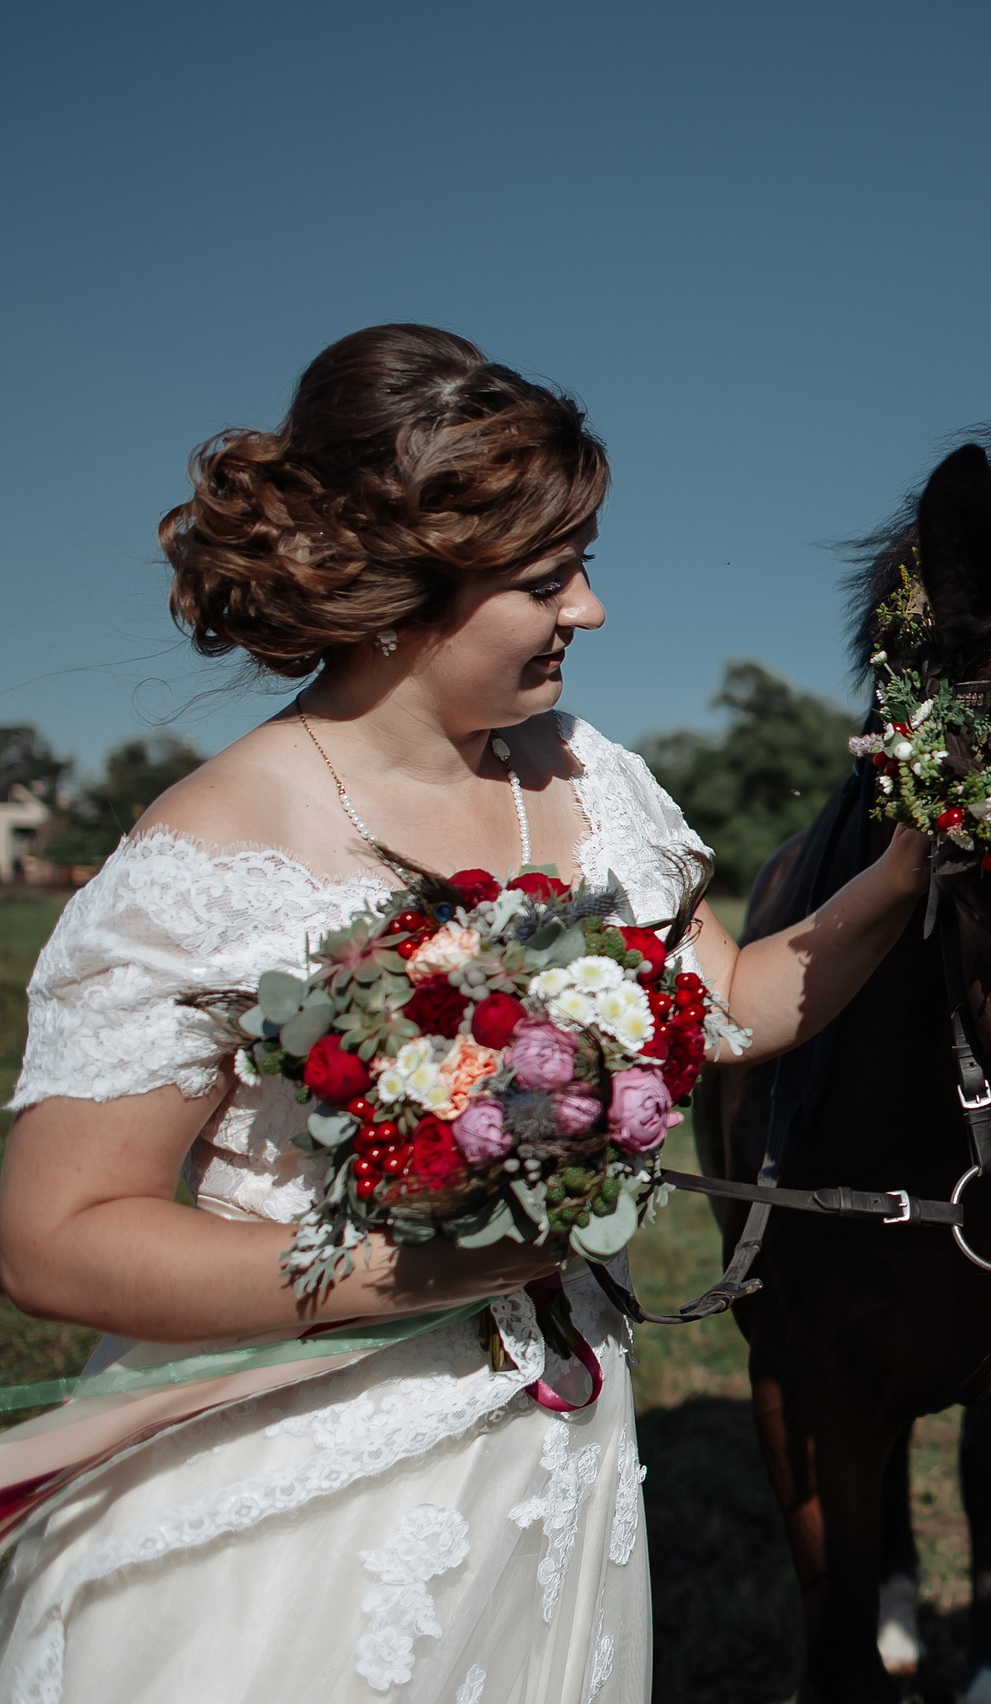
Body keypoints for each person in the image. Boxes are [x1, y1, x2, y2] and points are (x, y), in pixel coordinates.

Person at [0, 324, 928, 1702]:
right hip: (294, 1489)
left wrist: (912, 865)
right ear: (396, 593)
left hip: (552, 1457)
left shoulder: (583, 774)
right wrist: (419, 1274)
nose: (592, 613)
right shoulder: (206, 856)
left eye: (586, 567)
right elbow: (52, 1240)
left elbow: (726, 1003)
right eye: (548, 577)